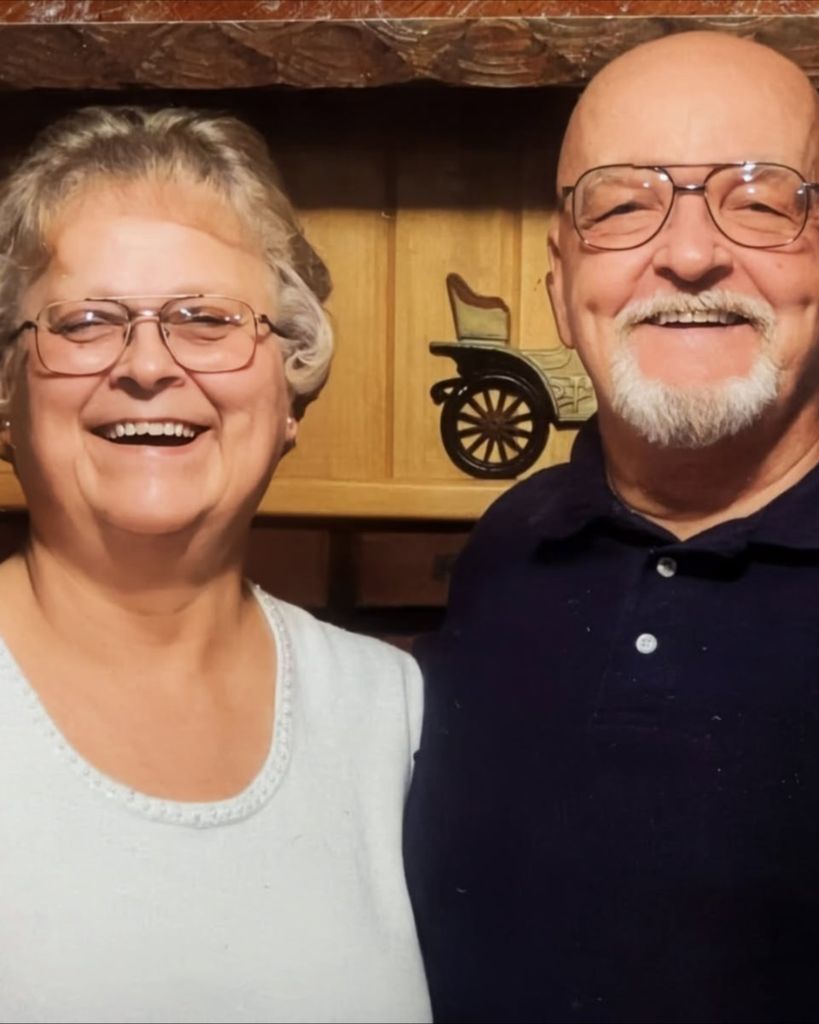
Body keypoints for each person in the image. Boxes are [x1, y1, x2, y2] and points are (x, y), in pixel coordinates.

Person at [405, 29, 819, 1024]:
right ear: (559, 284)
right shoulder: (510, 544)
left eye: (760, 201)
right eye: (623, 205)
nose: (691, 254)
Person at [0, 105, 431, 1024]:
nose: (147, 365)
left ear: (288, 392)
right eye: (86, 321)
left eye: (205, 319)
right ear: (8, 393)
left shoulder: (390, 714)